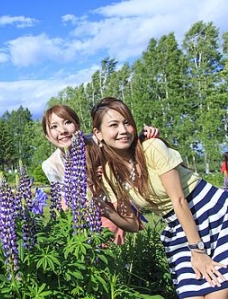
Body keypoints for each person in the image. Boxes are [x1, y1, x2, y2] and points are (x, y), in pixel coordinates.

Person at [91, 97, 228, 299]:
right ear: (98, 133)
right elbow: (133, 224)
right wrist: (106, 210)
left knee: (217, 291)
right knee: (192, 295)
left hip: (213, 211)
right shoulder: (111, 173)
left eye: (127, 122)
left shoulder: (151, 147)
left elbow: (179, 200)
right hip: (179, 226)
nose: (123, 130)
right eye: (114, 125)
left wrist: (198, 252)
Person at [41, 104, 158, 244]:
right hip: (81, 213)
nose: (62, 130)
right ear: (47, 136)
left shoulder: (96, 141)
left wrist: (142, 137)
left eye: (67, 122)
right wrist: (88, 186)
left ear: (77, 125)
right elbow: (64, 202)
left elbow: (124, 146)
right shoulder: (51, 165)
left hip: (115, 204)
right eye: (54, 127)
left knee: (113, 248)